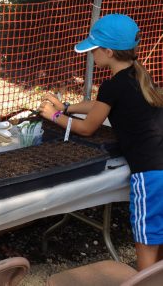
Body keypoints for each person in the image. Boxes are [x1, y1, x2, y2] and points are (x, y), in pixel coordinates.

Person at [39, 14, 163, 271]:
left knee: (146, 236)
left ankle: (145, 279)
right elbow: (99, 106)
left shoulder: (111, 85)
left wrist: (55, 115)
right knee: (159, 230)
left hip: (150, 173)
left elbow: (87, 128)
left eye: (94, 49)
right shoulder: (137, 75)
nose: (91, 54)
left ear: (108, 52)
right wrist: (68, 106)